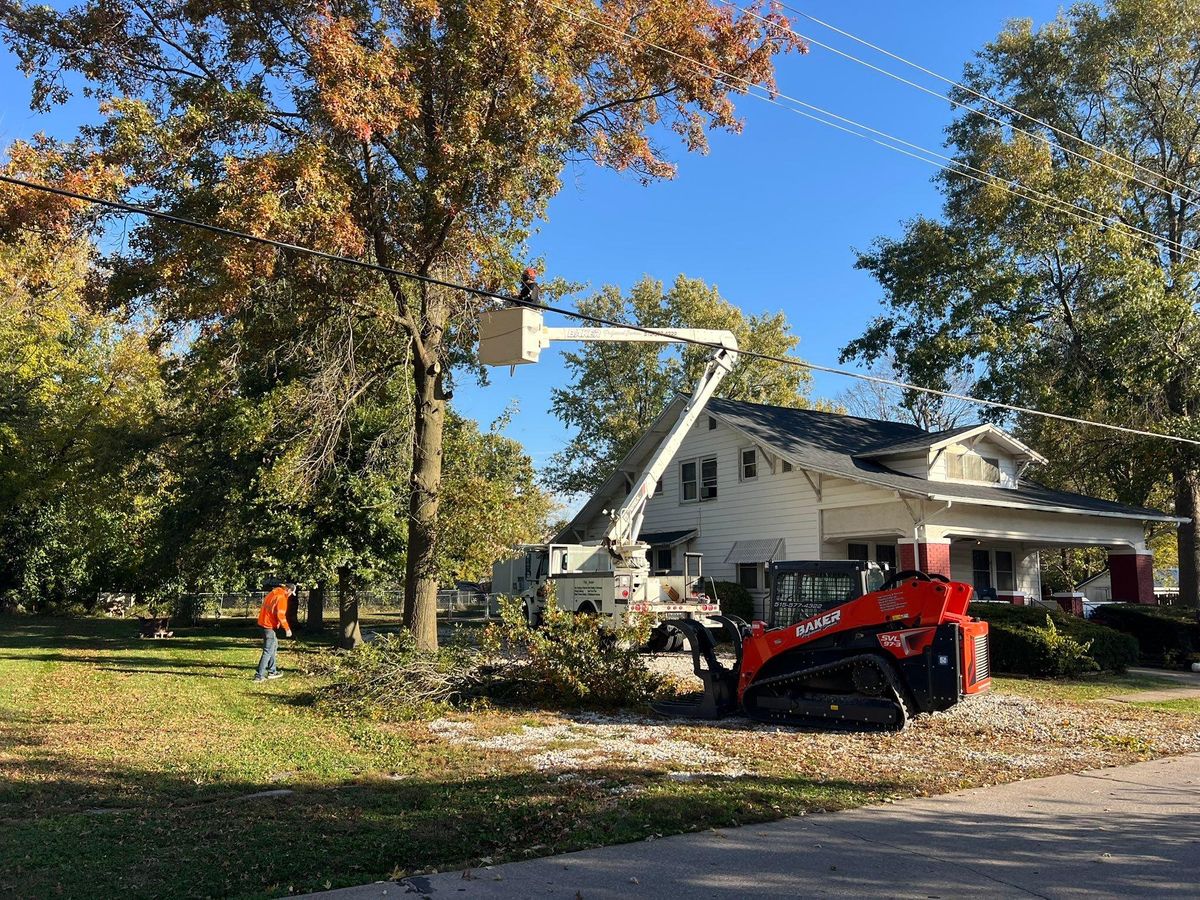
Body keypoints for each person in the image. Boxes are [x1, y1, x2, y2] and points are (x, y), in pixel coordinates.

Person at [254, 582, 294, 682]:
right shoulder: (282, 598)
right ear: (288, 590)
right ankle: (259, 676)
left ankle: (272, 671)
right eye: (291, 593)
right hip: (268, 626)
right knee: (268, 650)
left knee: (274, 645)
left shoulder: (273, 593)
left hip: (262, 623)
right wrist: (287, 629)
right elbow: (281, 616)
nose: (290, 596)